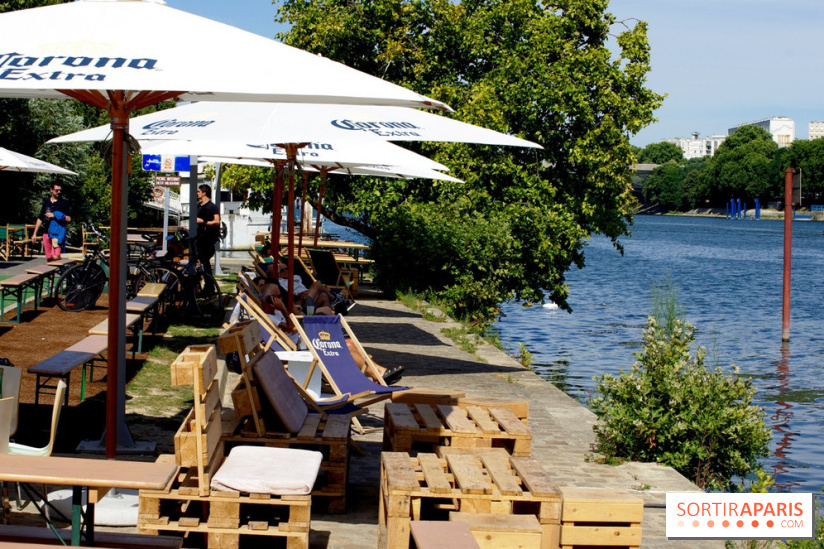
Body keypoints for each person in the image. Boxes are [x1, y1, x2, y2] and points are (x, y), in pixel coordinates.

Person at [271, 261, 343, 312]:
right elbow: (289, 295)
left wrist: (308, 291)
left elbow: (304, 285)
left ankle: (325, 322)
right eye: (282, 270)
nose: (286, 271)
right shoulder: (280, 282)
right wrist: (302, 294)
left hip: (309, 297)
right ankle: (334, 298)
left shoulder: (296, 277)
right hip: (301, 300)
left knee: (323, 296)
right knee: (317, 283)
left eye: (287, 268)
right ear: (279, 274)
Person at [32, 182, 71, 262]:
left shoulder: (64, 203)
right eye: (56, 190)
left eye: (60, 190)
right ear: (51, 190)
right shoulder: (46, 202)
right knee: (49, 258)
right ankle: (51, 274)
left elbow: (69, 219)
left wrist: (55, 215)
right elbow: (40, 218)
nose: (59, 192)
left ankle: (65, 266)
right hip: (46, 232)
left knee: (55, 257)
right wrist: (34, 233)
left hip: (57, 233)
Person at [195, 184, 220, 274]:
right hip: (199, 237)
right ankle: (205, 283)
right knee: (200, 260)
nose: (197, 193)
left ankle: (209, 284)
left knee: (205, 261)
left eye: (199, 191)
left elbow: (217, 221)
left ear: (204, 193)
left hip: (208, 238)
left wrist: (204, 222)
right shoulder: (198, 206)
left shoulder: (212, 207)